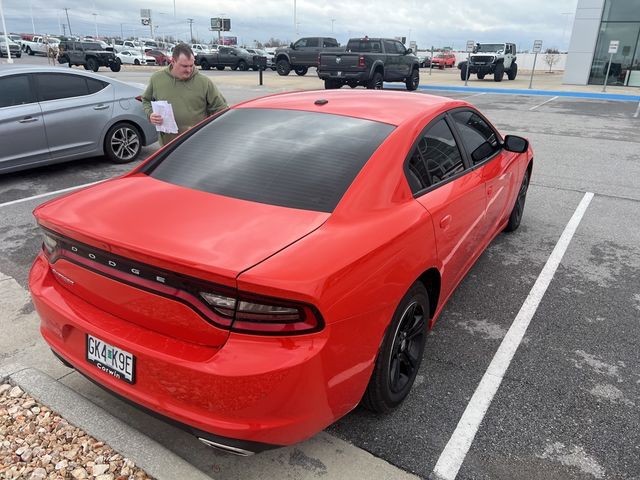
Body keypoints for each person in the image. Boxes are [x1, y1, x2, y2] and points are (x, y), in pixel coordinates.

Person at [142, 43, 228, 146]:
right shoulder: (157, 79)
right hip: (167, 146)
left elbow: (222, 109)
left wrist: (210, 130)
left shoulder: (204, 82)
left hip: (196, 145)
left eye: (191, 65)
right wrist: (150, 114)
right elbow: (146, 100)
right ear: (173, 61)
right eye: (184, 66)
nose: (189, 70)